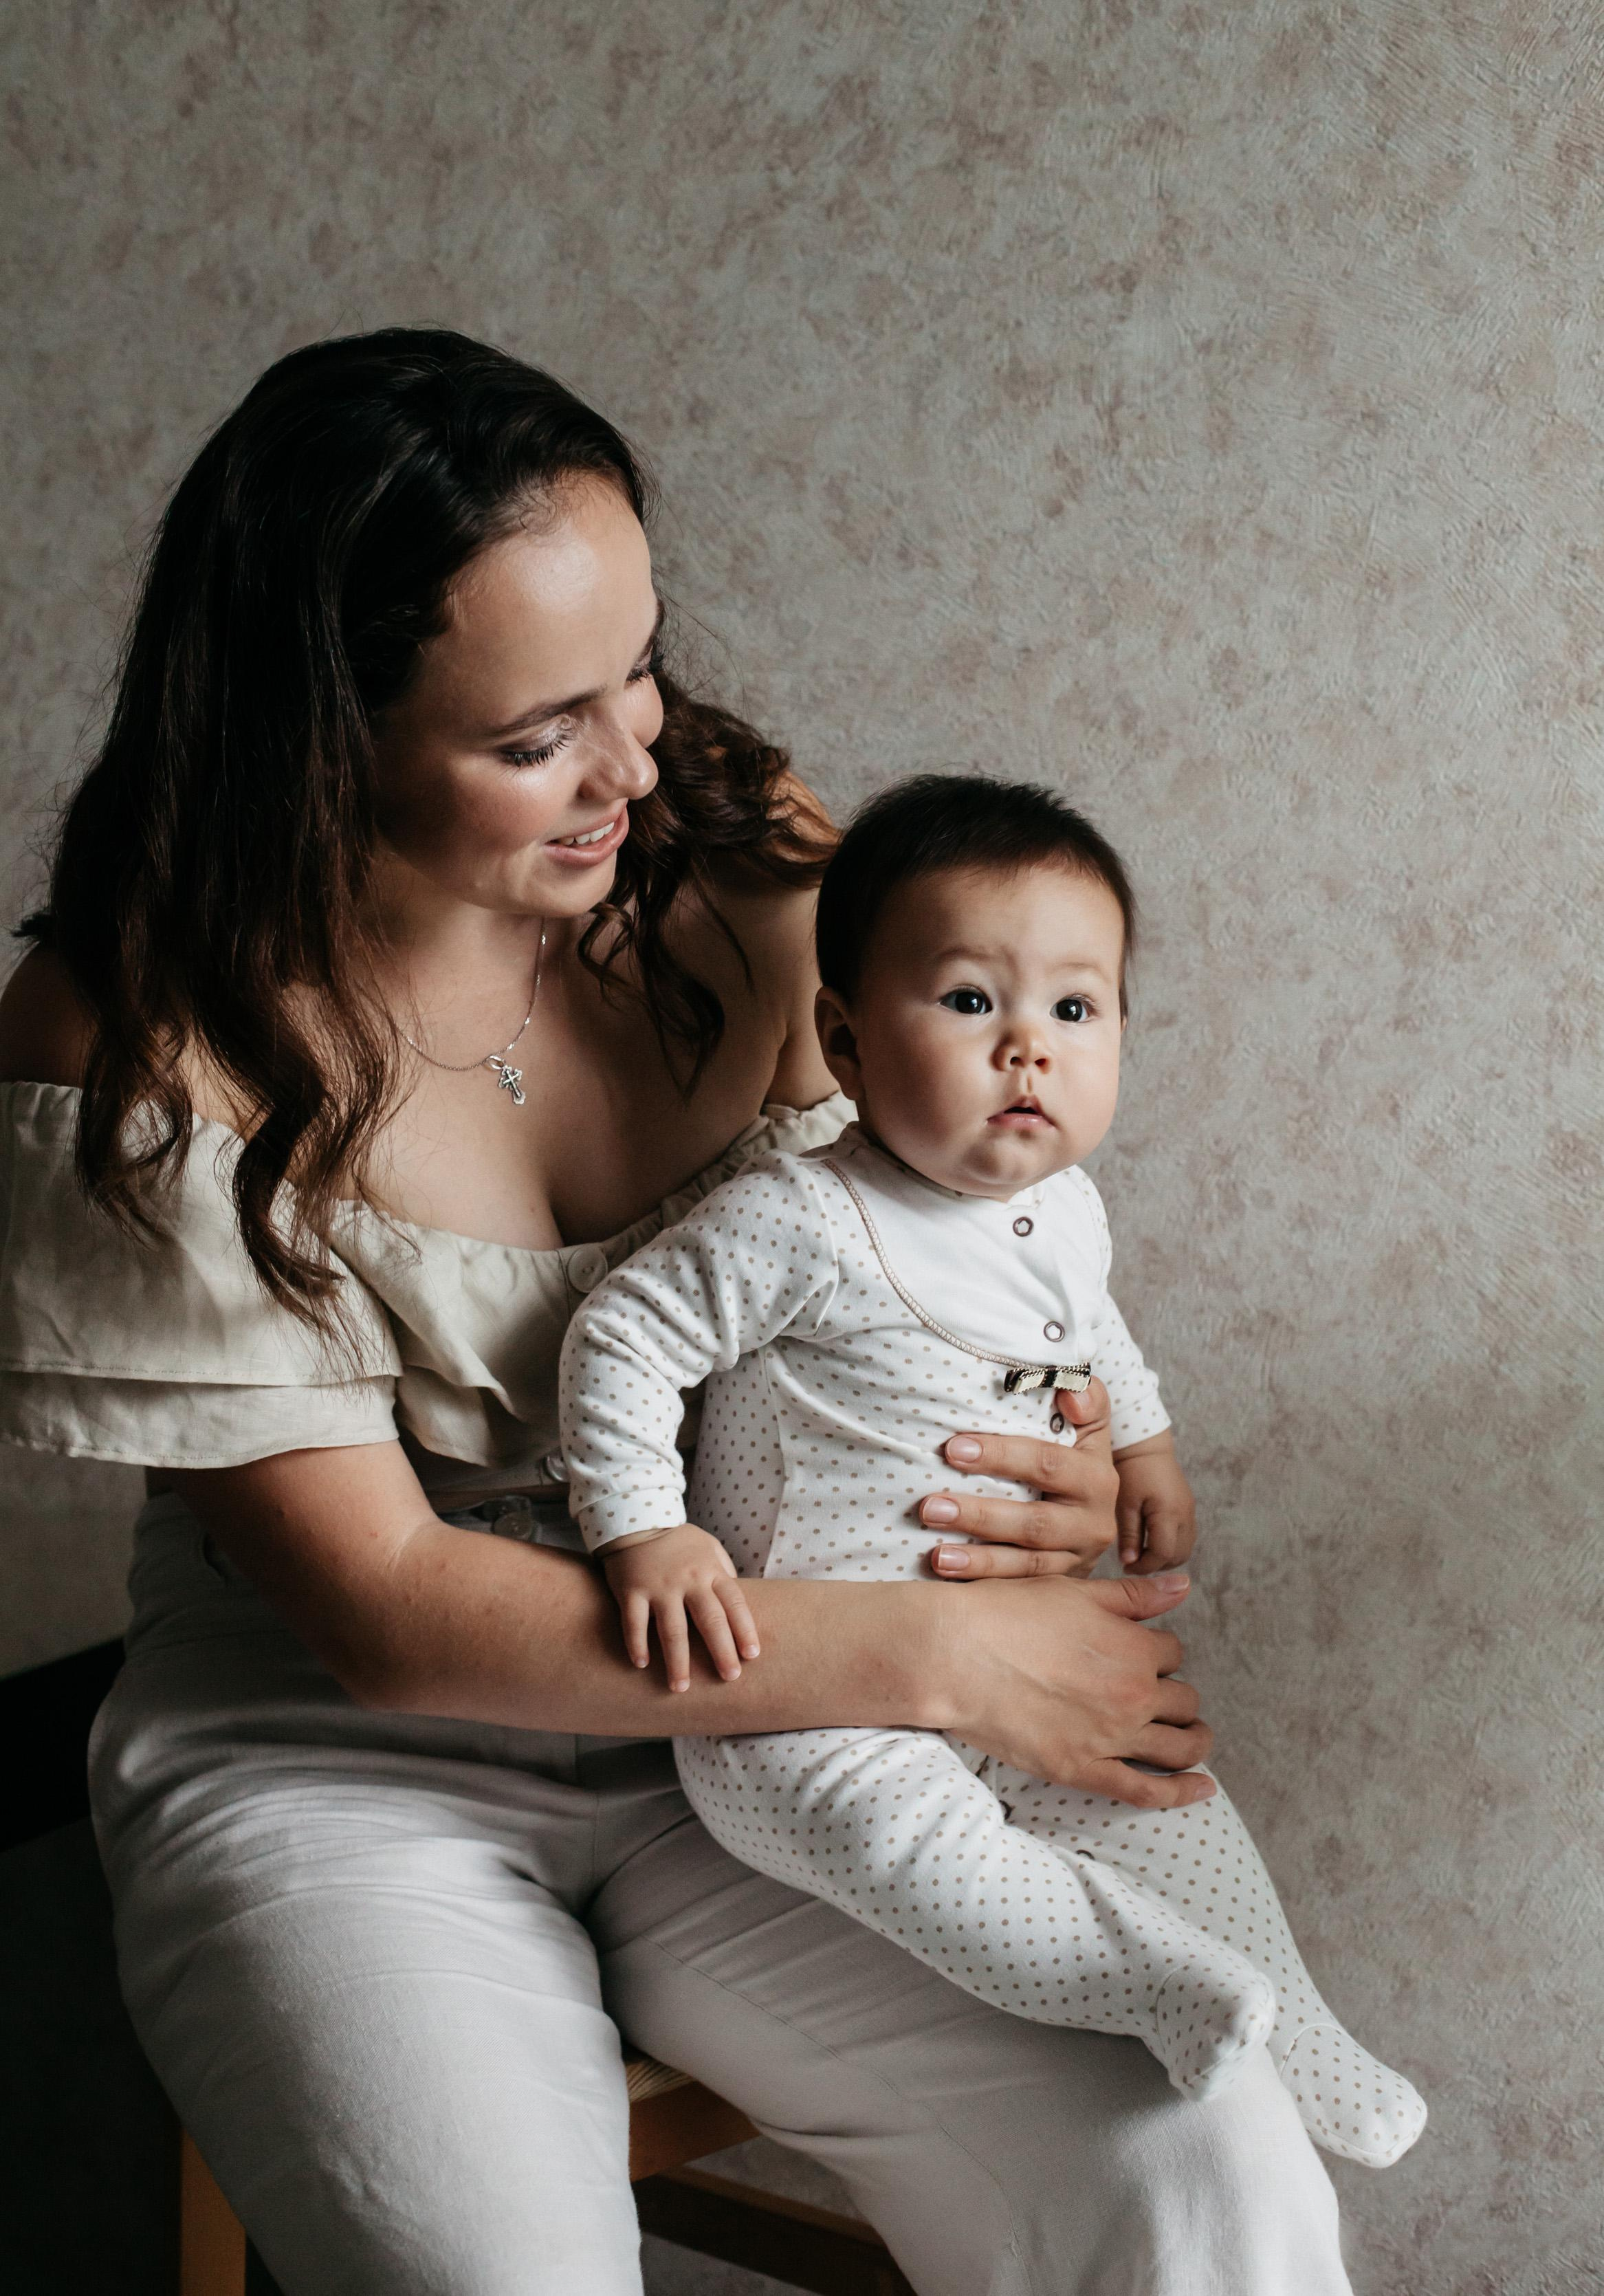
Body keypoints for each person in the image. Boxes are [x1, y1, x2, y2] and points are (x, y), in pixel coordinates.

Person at [0, 327, 1352, 2295]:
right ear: (323, 730)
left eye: (634, 663)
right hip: (348, 1758)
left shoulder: (733, 862)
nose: (633, 755)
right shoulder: (134, 1032)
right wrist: (942, 1659)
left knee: (1193, 2132)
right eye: (536, 728)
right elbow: (385, 1615)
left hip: (780, 1735)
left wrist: (1043, 1470)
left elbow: (954, 1227)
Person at [561, 772, 1427, 2166]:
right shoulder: (803, 1219)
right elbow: (623, 1337)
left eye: (1074, 1011)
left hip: (1022, 1655)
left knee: (1167, 1789)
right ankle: (1143, 1979)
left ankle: (1306, 2033)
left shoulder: (1064, 1209)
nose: (1028, 1045)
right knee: (921, 1856)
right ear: (844, 1039)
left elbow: (1098, 1333)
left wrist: (1140, 1444)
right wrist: (644, 1529)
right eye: (971, 1002)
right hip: (802, 1701)